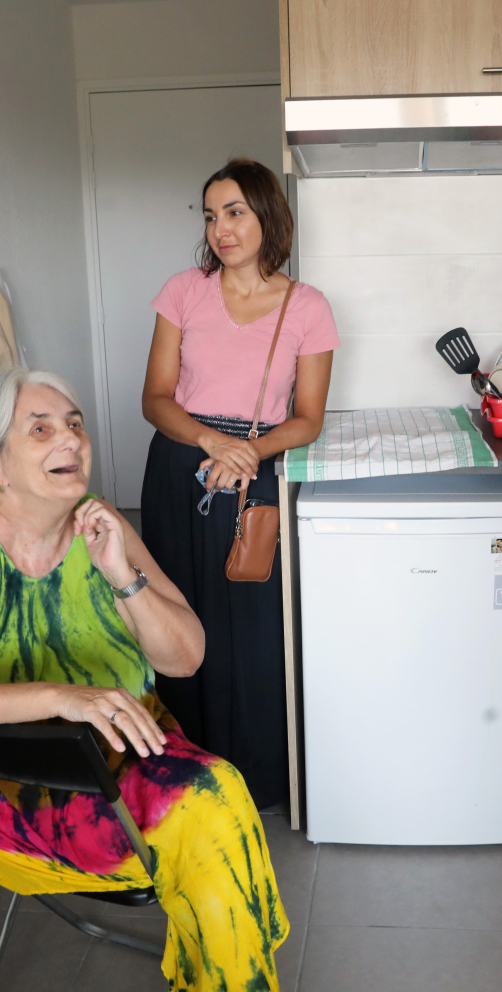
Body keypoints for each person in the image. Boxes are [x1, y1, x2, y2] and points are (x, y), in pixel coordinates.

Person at [0, 367, 331, 992]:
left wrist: (121, 574)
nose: (71, 439)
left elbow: (186, 657)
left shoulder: (101, 523)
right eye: (41, 428)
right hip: (8, 784)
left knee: (213, 805)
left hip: (125, 754)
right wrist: (59, 696)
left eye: (76, 423)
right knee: (213, 813)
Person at [139, 158, 339, 808]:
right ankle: (182, 778)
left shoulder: (307, 307)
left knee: (254, 629)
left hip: (257, 477)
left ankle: (255, 777)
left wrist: (247, 452)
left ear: (265, 217)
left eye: (234, 212)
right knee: (176, 619)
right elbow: (155, 398)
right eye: (210, 215)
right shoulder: (183, 292)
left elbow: (307, 420)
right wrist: (212, 442)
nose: (220, 229)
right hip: (182, 468)